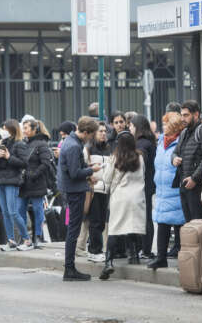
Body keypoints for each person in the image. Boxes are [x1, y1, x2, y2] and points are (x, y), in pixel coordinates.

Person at [58, 116, 101, 281]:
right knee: (73, 231)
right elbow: (75, 173)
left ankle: (70, 268)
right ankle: (69, 269)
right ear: (85, 132)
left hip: (72, 190)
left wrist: (88, 172)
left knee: (73, 229)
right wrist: (92, 171)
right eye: (91, 134)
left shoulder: (71, 142)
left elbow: (73, 169)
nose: (92, 138)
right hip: (74, 192)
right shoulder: (74, 146)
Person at [99, 131, 147, 280]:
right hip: (136, 197)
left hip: (120, 197)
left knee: (114, 229)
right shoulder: (140, 157)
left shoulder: (115, 158)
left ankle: (108, 262)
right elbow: (143, 175)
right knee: (131, 227)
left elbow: (106, 178)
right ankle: (134, 256)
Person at [148, 112, 185, 270]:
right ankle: (161, 257)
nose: (163, 127)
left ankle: (184, 260)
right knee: (162, 222)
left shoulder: (180, 141)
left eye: (166, 124)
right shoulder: (161, 141)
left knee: (179, 225)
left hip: (175, 188)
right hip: (162, 188)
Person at [0, 119, 33, 252]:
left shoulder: (19, 144)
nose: (3, 131)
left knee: (13, 212)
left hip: (12, 181)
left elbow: (24, 163)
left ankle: (27, 240)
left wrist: (9, 157)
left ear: (11, 129)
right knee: (5, 212)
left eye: (5, 128)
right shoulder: (3, 143)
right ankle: (11, 241)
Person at [172, 100, 202, 222]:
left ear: (196, 115)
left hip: (198, 187)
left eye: (186, 115)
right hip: (184, 185)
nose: (182, 119)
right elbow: (175, 152)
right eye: (181, 115)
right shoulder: (184, 132)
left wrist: (195, 178)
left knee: (200, 225)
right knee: (190, 226)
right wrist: (174, 159)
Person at [19, 119, 52, 249]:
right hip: (24, 182)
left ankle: (38, 237)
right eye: (23, 128)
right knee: (19, 210)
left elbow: (45, 163)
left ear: (34, 129)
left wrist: (34, 174)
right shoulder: (24, 143)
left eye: (26, 128)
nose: (24, 130)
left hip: (36, 182)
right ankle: (25, 238)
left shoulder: (41, 144)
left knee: (38, 210)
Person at [82, 122, 111, 262]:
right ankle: (94, 250)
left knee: (101, 222)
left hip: (105, 189)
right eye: (100, 131)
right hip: (93, 189)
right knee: (95, 221)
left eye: (105, 131)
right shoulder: (87, 149)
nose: (104, 133)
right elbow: (81, 168)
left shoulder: (108, 149)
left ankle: (95, 249)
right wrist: (88, 177)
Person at [129, 114, 157, 259]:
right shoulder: (149, 142)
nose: (129, 128)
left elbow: (138, 165)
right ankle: (145, 249)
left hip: (142, 184)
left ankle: (145, 249)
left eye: (131, 126)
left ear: (137, 127)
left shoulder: (141, 144)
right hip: (148, 184)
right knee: (146, 217)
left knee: (144, 218)